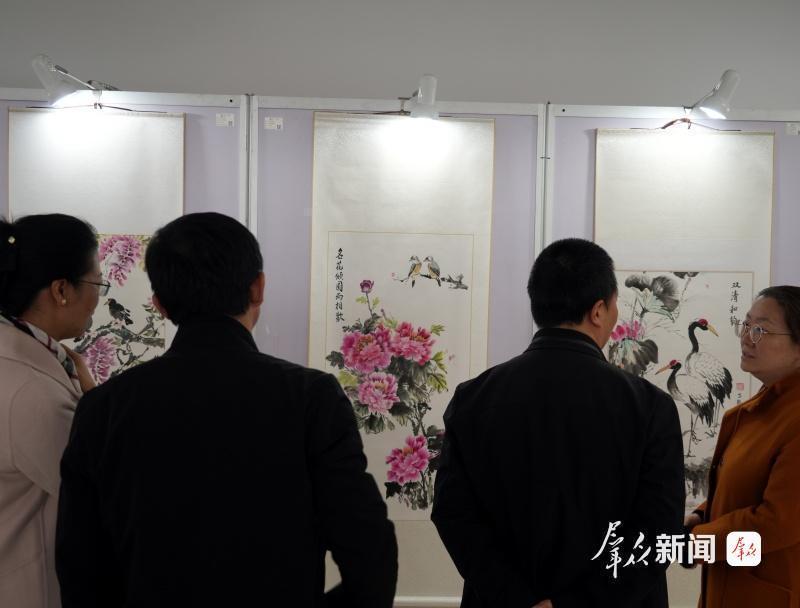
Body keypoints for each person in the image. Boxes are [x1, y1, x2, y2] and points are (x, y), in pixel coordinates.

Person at [55, 212, 398, 608]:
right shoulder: (311, 397)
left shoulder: (104, 407)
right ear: (258, 287)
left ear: (160, 304)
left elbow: (80, 569)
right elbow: (370, 556)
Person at [432, 238, 685, 607]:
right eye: (614, 304)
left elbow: (454, 515)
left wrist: (517, 598)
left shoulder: (474, 398)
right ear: (598, 311)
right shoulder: (649, 407)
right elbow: (659, 533)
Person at [0, 214, 101, 608]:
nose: (98, 299)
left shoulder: (27, 361)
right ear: (61, 290)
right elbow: (101, 489)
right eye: (97, 284)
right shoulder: (31, 391)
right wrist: (97, 404)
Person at [685, 286, 800, 608]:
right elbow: (742, 489)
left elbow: (774, 526)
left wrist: (700, 545)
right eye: (747, 325)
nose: (747, 337)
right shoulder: (762, 407)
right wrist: (701, 514)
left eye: (761, 329)